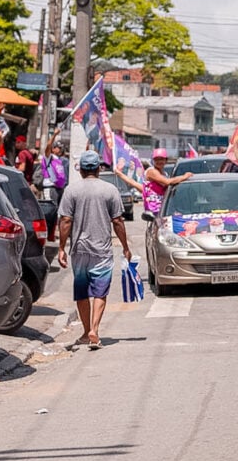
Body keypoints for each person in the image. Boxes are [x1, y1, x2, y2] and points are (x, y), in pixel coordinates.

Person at [57, 150, 131, 349]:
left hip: (79, 249)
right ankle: (94, 331)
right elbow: (117, 221)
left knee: (82, 291)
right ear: (99, 168)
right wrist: (125, 246)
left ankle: (85, 331)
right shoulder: (110, 190)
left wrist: (61, 248)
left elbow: (65, 221)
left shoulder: (71, 191)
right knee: (100, 291)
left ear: (80, 169)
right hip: (102, 250)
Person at [114, 148, 192, 215]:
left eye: (161, 159)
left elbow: (137, 185)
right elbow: (167, 182)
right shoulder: (152, 172)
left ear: (166, 160)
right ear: (153, 160)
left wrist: (120, 174)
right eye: (156, 159)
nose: (159, 161)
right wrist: (184, 176)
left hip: (163, 211)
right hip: (154, 212)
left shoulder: (165, 174)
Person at [36, 129, 70, 204]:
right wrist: (54, 135)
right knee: (50, 209)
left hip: (59, 188)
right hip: (50, 188)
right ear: (53, 149)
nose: (60, 149)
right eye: (58, 147)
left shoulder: (60, 160)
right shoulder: (49, 157)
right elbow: (48, 146)